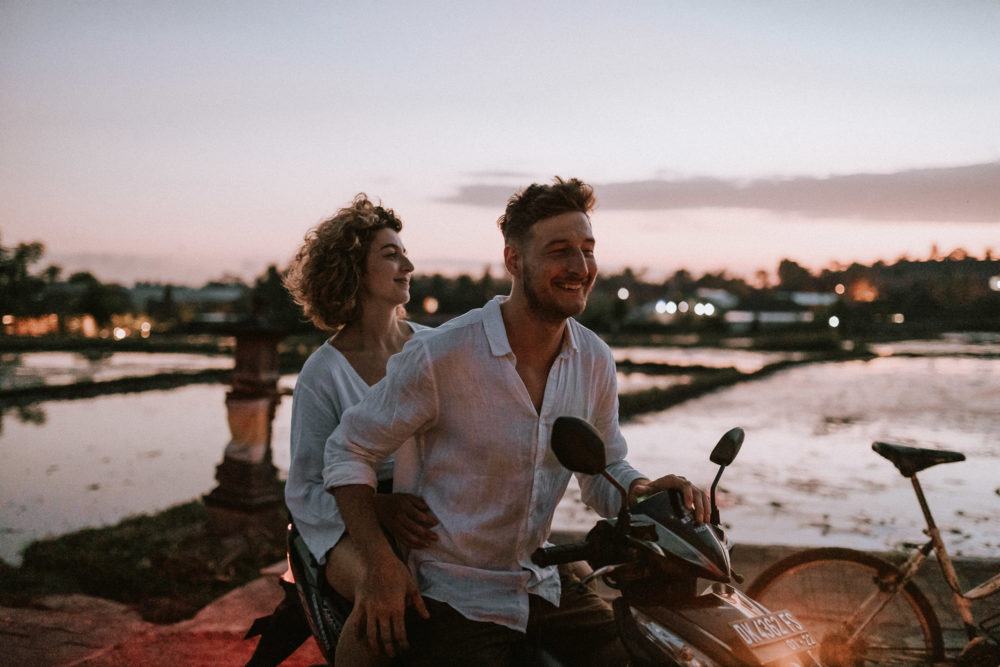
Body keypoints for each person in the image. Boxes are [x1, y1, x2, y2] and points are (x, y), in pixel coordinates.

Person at [324, 177, 710, 666]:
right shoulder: (442, 355)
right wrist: (379, 562)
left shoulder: (594, 359)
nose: (580, 267)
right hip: (453, 595)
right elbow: (347, 451)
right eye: (559, 250)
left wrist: (644, 492)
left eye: (588, 250)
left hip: (540, 582)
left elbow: (604, 472)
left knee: (647, 654)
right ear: (514, 260)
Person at [251, 194, 437, 667]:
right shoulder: (322, 374)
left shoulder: (434, 350)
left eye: (404, 252)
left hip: (424, 507)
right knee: (383, 600)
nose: (408, 264)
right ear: (353, 269)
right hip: (341, 522)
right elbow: (307, 487)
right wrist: (376, 505)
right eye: (390, 254)